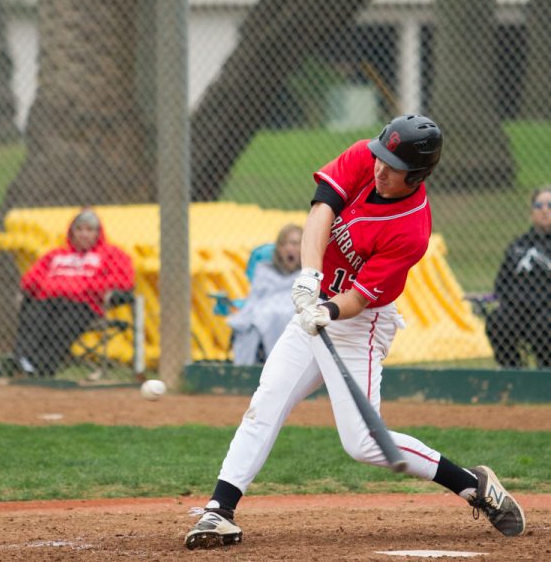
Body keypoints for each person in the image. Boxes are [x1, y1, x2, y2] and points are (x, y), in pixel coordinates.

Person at [184, 115, 526, 550]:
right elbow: (321, 209)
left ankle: (473, 486)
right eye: (380, 158)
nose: (379, 169)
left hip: (359, 325)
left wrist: (326, 308)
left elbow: (360, 300)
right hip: (317, 301)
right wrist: (310, 277)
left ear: (417, 175)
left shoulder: (412, 230)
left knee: (363, 443)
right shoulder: (368, 155)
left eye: (392, 166)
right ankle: (220, 511)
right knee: (266, 401)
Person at [0, 208, 135, 377]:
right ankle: (22, 361)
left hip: (83, 304)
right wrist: (50, 287)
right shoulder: (56, 254)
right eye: (79, 229)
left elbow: (124, 280)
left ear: (98, 233)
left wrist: (86, 287)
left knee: (61, 326)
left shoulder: (111, 254)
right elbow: (31, 278)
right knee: (34, 318)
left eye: (90, 230)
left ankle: (41, 367)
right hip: (48, 300)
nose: (84, 235)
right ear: (72, 232)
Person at [485, 185, 551, 368]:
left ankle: (545, 371)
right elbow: (502, 281)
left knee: (545, 324)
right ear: (532, 212)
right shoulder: (519, 244)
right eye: (539, 206)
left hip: (546, 310)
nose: (545, 210)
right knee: (497, 319)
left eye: (549, 205)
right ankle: (513, 371)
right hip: (517, 310)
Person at [226, 224, 302, 366]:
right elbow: (253, 300)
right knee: (251, 322)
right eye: (283, 244)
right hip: (263, 315)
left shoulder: (309, 275)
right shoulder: (264, 270)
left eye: (295, 243)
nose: (289, 248)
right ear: (278, 250)